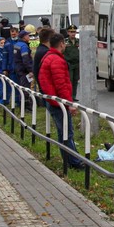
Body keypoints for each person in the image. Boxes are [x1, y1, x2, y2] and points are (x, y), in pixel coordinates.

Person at [38, 33, 84, 169]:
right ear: (62, 44)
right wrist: (69, 104)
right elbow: (61, 85)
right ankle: (74, 162)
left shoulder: (48, 57)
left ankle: (69, 160)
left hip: (52, 100)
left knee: (62, 133)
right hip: (58, 103)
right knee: (66, 133)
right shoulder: (57, 60)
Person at [65, 26, 81, 100]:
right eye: (71, 32)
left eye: (74, 32)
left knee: (75, 80)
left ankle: (74, 96)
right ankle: (69, 96)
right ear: (68, 32)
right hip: (69, 64)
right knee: (69, 80)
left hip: (77, 63)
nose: (73, 34)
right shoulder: (65, 42)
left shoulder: (78, 41)